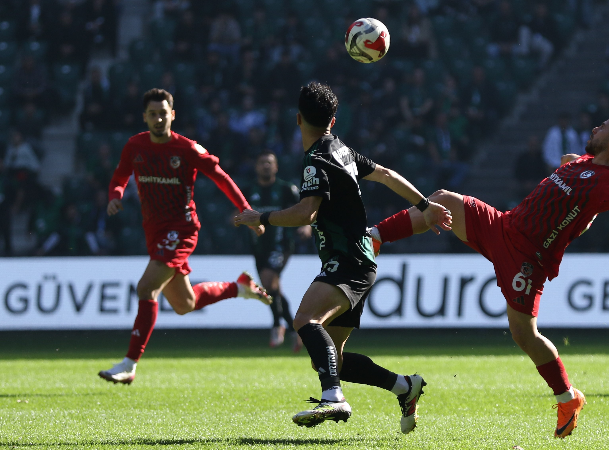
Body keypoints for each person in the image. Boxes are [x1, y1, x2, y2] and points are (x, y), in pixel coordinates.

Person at [369, 99, 609, 438]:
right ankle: (374, 236)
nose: (596, 127)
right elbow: (579, 195)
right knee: (443, 199)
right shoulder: (581, 163)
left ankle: (567, 398)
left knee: (524, 334)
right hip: (504, 226)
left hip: (528, 258)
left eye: (604, 126)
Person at [234, 82, 452, 432]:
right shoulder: (342, 150)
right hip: (359, 259)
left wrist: (262, 216)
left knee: (305, 320)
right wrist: (425, 205)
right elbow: (386, 175)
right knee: (332, 357)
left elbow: (306, 213)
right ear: (333, 121)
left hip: (347, 259)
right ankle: (405, 386)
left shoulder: (316, 159)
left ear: (297, 119)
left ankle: (333, 398)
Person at [98, 88, 272, 385]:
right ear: (145, 117)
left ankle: (129, 364)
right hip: (154, 231)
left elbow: (221, 177)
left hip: (182, 229)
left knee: (146, 289)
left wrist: (246, 210)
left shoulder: (187, 149)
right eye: (152, 114)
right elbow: (120, 175)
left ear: (172, 114)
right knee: (184, 304)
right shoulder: (135, 146)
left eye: (163, 113)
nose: (158, 118)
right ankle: (239, 287)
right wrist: (115, 195)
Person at [244, 151, 311, 350]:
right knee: (272, 288)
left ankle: (276, 326)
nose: (266, 165)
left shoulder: (286, 189)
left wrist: (306, 226)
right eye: (262, 162)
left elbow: (304, 210)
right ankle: (295, 330)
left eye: (269, 163)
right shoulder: (249, 190)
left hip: (281, 244)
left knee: (267, 280)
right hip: (258, 246)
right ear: (256, 166)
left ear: (276, 167)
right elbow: (237, 213)